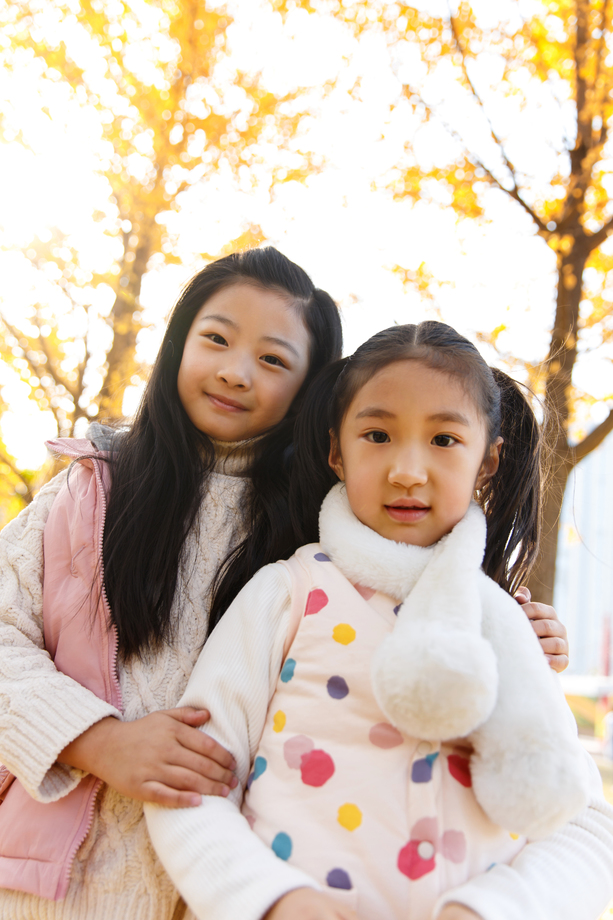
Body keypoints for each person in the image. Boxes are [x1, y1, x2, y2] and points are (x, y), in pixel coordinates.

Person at [145, 322, 613, 920]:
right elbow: (189, 780)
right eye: (377, 435)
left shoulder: (506, 628)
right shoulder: (288, 594)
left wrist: (490, 910)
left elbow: (586, 824)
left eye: (444, 439)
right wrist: (274, 902)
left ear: (488, 461)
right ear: (336, 452)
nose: (407, 471)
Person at [0, 247, 343, 919]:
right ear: (179, 342)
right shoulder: (89, 491)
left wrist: (513, 628)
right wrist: (101, 742)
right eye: (216, 338)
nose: (235, 371)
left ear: (309, 388)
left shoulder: (322, 531)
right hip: (52, 890)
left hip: (233, 887)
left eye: (273, 360)